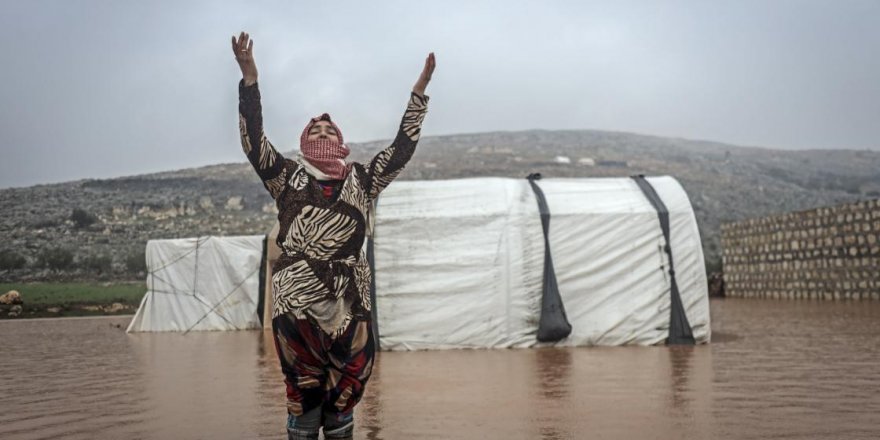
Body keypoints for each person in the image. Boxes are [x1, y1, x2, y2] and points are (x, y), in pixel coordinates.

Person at [231, 31, 435, 440]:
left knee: (346, 390)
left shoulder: (363, 179)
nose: (323, 131)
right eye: (316, 129)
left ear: (340, 141)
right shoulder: (286, 177)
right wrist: (250, 80)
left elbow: (400, 150)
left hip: (349, 297)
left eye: (330, 129)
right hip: (297, 299)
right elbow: (254, 143)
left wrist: (419, 93)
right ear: (305, 142)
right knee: (304, 394)